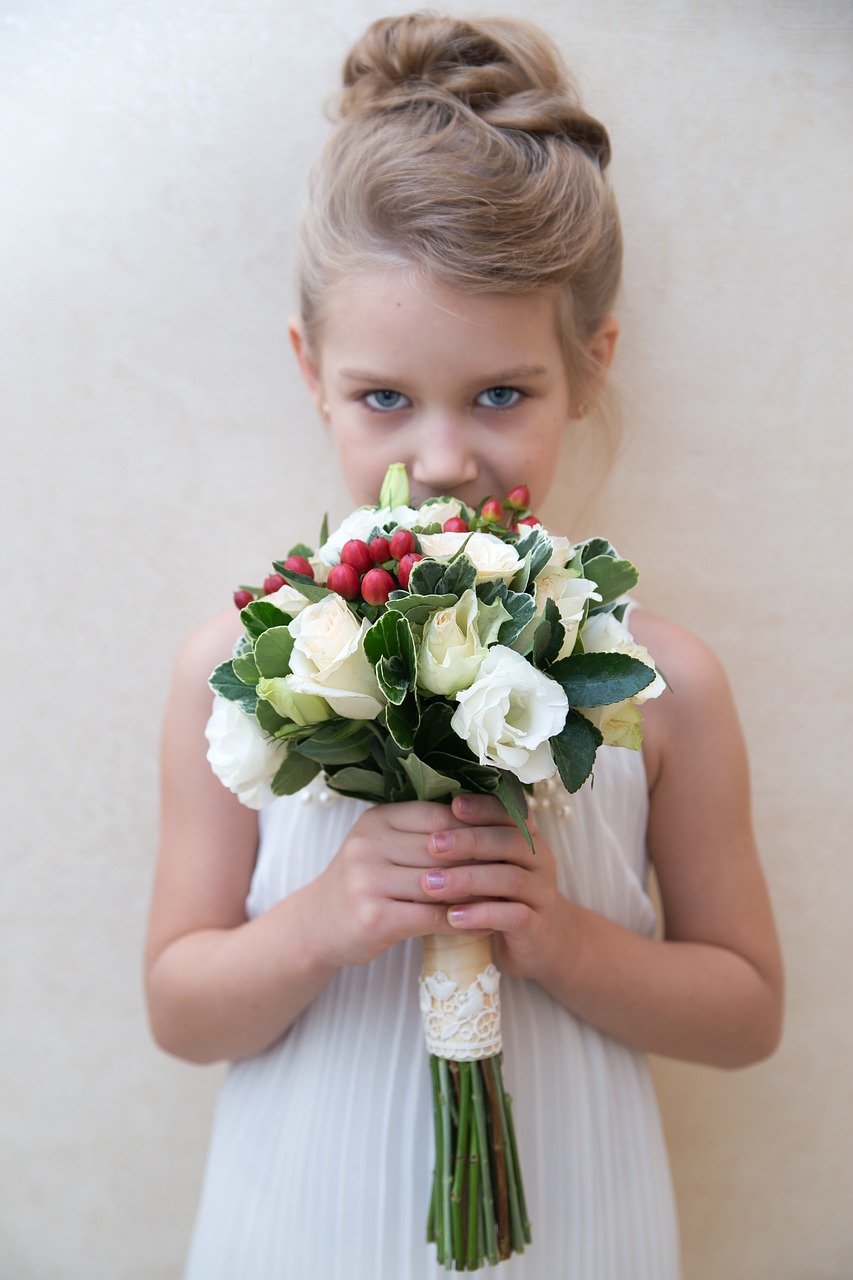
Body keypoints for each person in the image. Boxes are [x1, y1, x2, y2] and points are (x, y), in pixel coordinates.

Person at [145, 12, 784, 1278]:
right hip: (304, 1220)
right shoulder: (238, 662)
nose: (440, 458)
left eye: (501, 392)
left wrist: (562, 937)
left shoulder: (668, 688)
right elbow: (180, 1004)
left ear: (586, 368)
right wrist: (328, 916)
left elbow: (747, 1011)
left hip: (578, 1225)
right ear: (311, 372)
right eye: (384, 396)